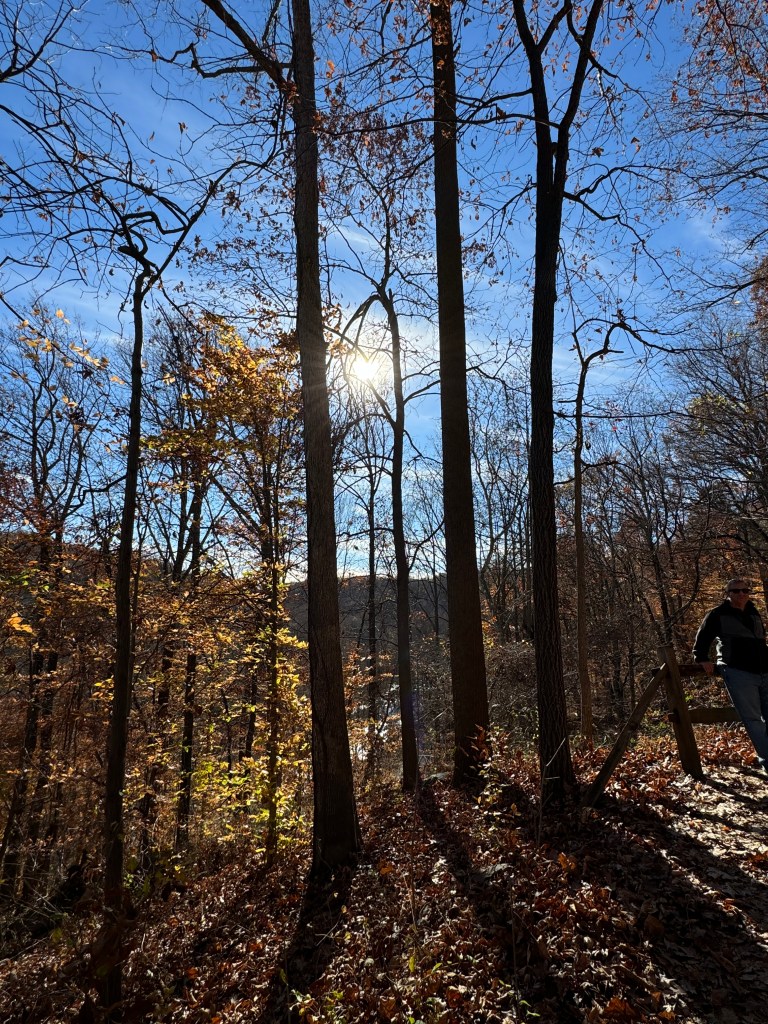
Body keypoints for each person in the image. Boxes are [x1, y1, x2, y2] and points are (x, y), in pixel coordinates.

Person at [693, 578, 768, 774]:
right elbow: (702, 639)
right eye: (736, 591)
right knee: (753, 719)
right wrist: (702, 658)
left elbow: (760, 641)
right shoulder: (717, 614)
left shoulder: (753, 612)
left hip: (764, 671)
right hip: (738, 671)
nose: (741, 594)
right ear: (728, 594)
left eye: (745, 590)